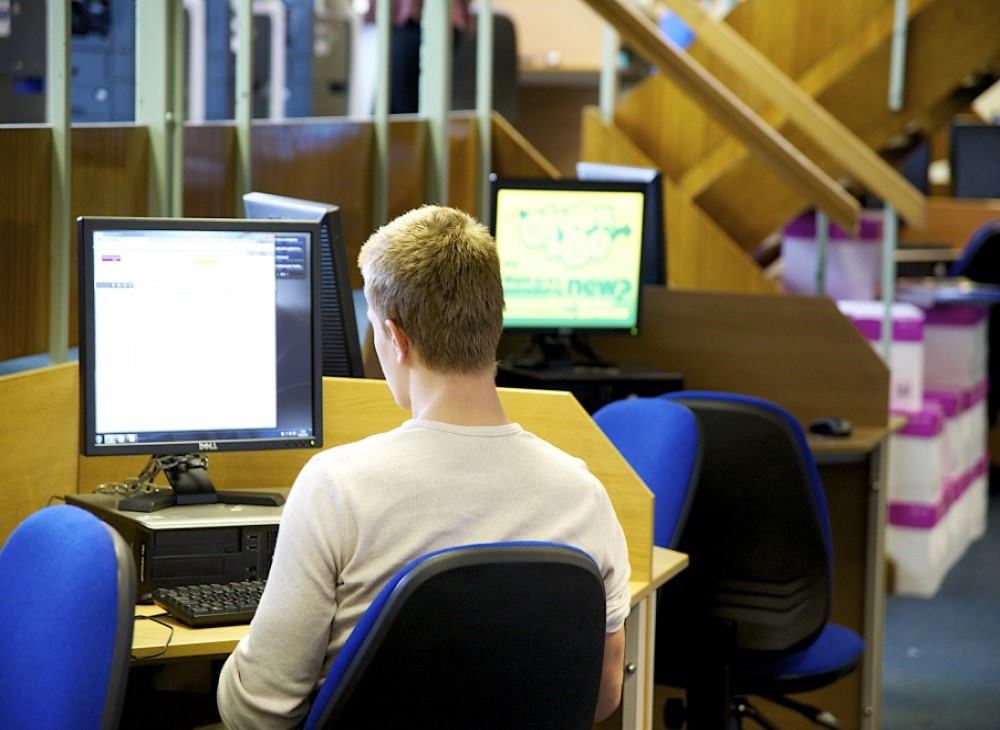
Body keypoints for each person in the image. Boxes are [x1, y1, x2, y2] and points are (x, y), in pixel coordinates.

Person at [216, 205, 631, 728]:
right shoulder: (583, 493)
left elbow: (259, 713)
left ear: (397, 337)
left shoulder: (337, 486)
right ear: (494, 324)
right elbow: (603, 694)